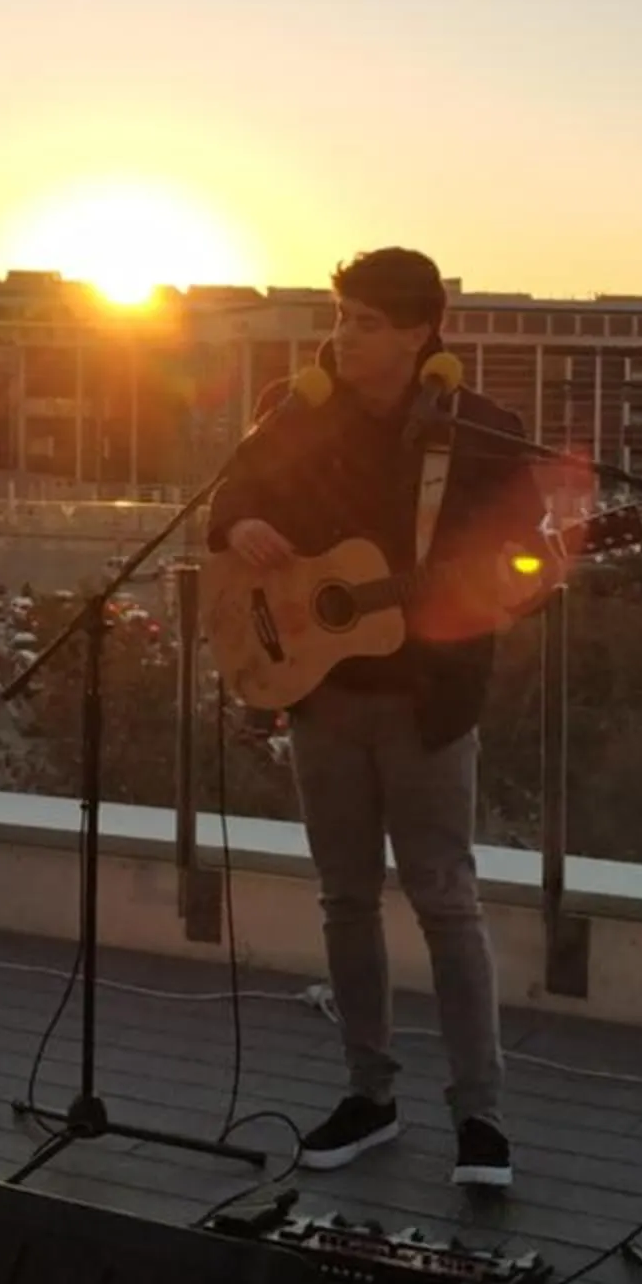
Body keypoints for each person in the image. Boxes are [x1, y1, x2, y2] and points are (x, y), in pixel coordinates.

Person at [207, 248, 545, 1189]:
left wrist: (498, 593)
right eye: (340, 314)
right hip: (319, 692)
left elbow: (526, 559)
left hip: (427, 702)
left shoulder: (480, 429)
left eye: (361, 320)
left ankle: (480, 1115)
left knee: (444, 899)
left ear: (416, 334)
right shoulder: (298, 406)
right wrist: (238, 528)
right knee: (345, 898)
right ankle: (371, 1094)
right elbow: (228, 495)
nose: (341, 334)